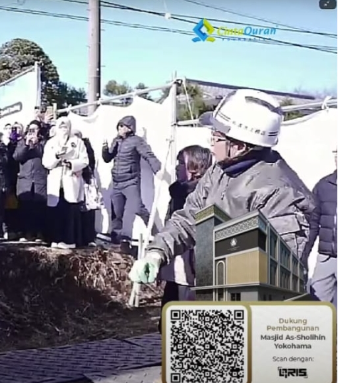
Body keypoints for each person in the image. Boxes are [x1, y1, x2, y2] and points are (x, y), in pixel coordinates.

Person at [129, 89, 316, 289]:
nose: (210, 142)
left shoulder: (280, 194)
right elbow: (190, 218)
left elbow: (280, 273)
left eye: (216, 136)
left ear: (240, 146)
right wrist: (156, 253)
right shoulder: (219, 171)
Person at [157, 145, 213, 331]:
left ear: (195, 167)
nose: (176, 167)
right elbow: (171, 222)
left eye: (181, 163)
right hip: (175, 261)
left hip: (193, 265)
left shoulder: (206, 194)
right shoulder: (177, 192)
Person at [101, 116, 161, 244]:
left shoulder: (137, 141)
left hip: (131, 181)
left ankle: (156, 234)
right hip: (117, 182)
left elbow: (148, 155)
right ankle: (116, 237)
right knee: (116, 211)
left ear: (130, 128)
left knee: (138, 208)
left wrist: (158, 169)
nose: (121, 128)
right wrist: (105, 149)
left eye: (124, 126)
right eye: (120, 126)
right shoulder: (116, 141)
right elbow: (107, 158)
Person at [42, 117, 89, 249]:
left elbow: (84, 160)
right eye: (61, 126)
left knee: (70, 211)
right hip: (56, 180)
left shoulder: (77, 142)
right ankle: (56, 239)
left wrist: (71, 164)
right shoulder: (51, 143)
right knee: (55, 211)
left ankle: (69, 240)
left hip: (70, 179)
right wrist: (56, 157)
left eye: (66, 126)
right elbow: (46, 162)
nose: (63, 129)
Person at [303, 146, 338, 310]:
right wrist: (306, 250)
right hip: (325, 258)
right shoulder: (324, 185)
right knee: (317, 303)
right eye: (336, 153)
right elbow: (313, 221)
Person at [13, 121, 49, 242]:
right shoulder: (21, 142)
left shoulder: (44, 143)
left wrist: (36, 144)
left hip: (40, 179)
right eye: (31, 129)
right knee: (25, 207)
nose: (32, 132)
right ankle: (25, 233)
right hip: (25, 180)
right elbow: (17, 157)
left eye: (35, 129)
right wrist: (27, 145)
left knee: (39, 207)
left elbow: (45, 156)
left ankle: (39, 233)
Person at [72, 128, 98, 247]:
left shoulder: (86, 146)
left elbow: (91, 162)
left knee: (88, 209)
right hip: (73, 180)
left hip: (86, 180)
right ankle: (78, 237)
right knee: (76, 210)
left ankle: (89, 238)